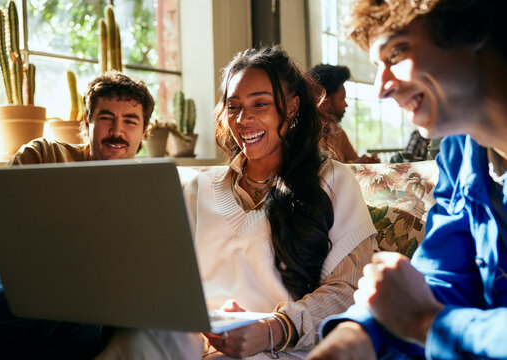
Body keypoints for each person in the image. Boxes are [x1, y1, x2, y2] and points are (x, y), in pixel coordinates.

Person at [308, 0, 507, 359]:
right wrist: (355, 337)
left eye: (397, 52)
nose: (381, 87)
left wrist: (428, 323)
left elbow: (425, 312)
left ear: (471, 25)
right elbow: (443, 276)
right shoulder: (460, 156)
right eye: (376, 66)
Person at [181, 45, 377, 359]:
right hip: (191, 339)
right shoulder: (197, 188)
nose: (243, 119)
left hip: (277, 347)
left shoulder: (332, 181)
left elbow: (349, 291)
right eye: (233, 106)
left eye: (260, 104)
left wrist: (273, 328)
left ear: (292, 107)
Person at [0, 71, 158, 359]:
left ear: (144, 132)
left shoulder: (151, 192)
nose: (117, 131)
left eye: (130, 121)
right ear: (86, 122)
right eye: (106, 118)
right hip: (11, 278)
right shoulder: (45, 154)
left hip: (94, 302)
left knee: (89, 300)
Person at [308, 64, 378, 164]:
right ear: (324, 100)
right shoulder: (305, 134)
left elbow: (353, 163)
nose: (346, 105)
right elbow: (321, 171)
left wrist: (364, 164)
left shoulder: (339, 134)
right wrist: (354, 164)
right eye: (342, 99)